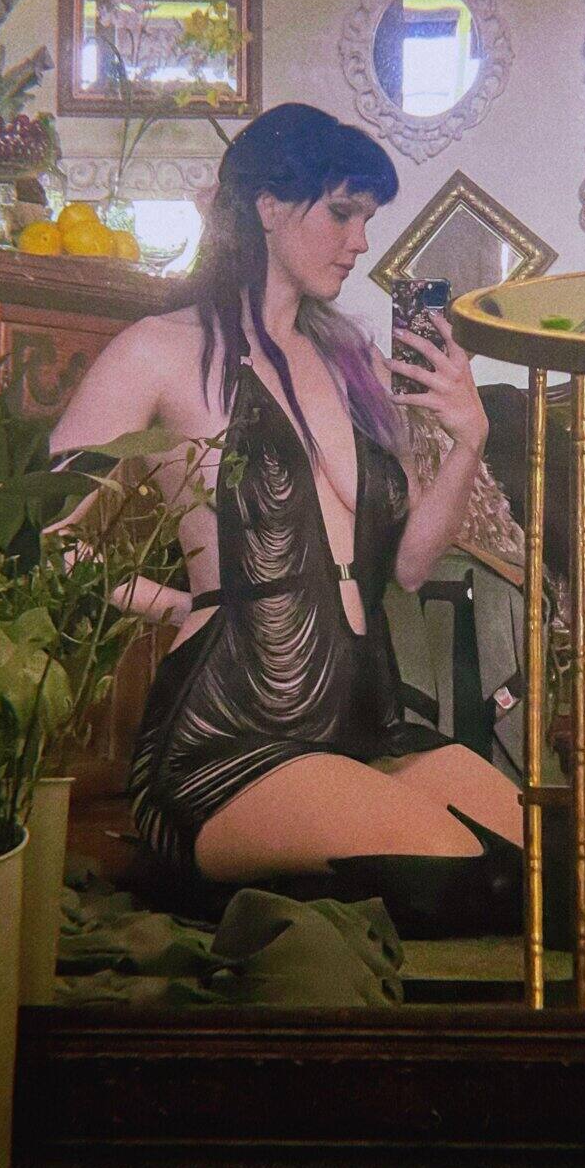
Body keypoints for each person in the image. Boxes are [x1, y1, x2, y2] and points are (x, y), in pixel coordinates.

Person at [50, 103, 522, 938]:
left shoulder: (354, 360)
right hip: (229, 736)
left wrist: (467, 438)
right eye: (341, 212)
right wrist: (178, 604)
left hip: (365, 721)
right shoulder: (159, 349)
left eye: (366, 218)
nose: (360, 241)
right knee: (451, 879)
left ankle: (270, 891)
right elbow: (48, 541)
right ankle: (208, 881)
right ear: (267, 205)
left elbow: (409, 566)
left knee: (557, 868)